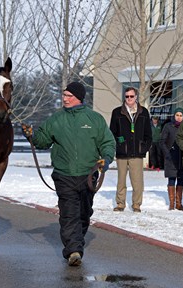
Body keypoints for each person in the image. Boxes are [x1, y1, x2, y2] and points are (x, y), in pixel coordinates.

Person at [21, 81, 115, 266]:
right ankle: (73, 250)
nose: (64, 98)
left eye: (68, 95)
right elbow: (42, 141)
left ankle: (76, 241)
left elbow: (107, 142)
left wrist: (106, 159)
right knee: (68, 212)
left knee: (84, 213)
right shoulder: (55, 120)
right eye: (63, 95)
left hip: (88, 174)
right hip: (64, 174)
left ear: (78, 98)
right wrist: (31, 135)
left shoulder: (94, 119)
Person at [110, 86, 152, 212]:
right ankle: (120, 203)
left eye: (131, 96)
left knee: (137, 181)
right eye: (127, 96)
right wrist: (119, 143)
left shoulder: (143, 112)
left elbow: (148, 134)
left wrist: (143, 148)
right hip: (122, 153)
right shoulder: (117, 112)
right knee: (121, 180)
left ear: (136, 97)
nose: (129, 98)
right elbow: (112, 133)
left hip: (137, 153)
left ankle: (136, 204)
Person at [160, 108, 183, 211]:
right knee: (172, 179)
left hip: (182, 158)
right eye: (177, 115)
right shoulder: (168, 126)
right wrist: (167, 153)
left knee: (181, 179)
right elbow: (162, 141)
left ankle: (179, 203)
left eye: (181, 115)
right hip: (171, 157)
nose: (179, 117)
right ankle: (172, 203)